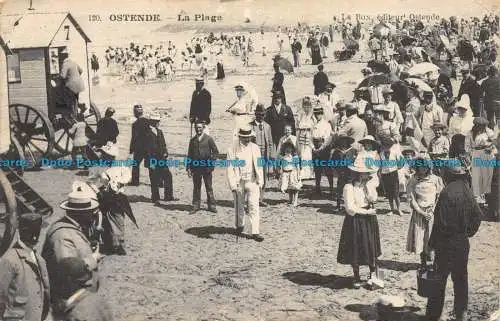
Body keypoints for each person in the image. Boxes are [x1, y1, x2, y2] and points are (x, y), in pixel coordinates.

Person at [426, 165, 483, 321]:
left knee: (439, 280)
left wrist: (431, 244)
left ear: (447, 175)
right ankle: (461, 315)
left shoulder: (446, 193)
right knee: (461, 280)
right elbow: (478, 216)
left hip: (445, 243)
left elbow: (439, 223)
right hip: (462, 243)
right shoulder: (467, 191)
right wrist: (467, 232)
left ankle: (434, 315)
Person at [42, 186, 101, 314]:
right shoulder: (62, 235)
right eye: (90, 211)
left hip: (80, 297)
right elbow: (68, 268)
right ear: (80, 214)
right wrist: (92, 259)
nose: (93, 215)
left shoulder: (75, 227)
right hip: (69, 302)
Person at [337, 163, 382, 289]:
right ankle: (356, 276)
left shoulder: (368, 185)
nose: (367, 175)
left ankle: (372, 275)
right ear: (357, 174)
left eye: (368, 173)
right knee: (355, 247)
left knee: (370, 246)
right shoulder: (348, 187)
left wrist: (368, 189)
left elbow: (374, 199)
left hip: (369, 219)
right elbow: (350, 208)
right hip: (355, 220)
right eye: (364, 173)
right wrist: (366, 212)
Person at [0, 213, 50, 321]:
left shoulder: (38, 259)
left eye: (37, 231)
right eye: (33, 231)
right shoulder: (9, 260)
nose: (35, 235)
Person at [227, 126, 265, 242]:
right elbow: (230, 168)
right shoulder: (232, 149)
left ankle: (255, 231)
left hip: (253, 180)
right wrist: (233, 185)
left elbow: (260, 164)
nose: (247, 140)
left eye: (248, 137)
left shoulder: (255, 148)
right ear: (239, 137)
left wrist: (261, 180)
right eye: (244, 138)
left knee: (254, 206)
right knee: (239, 205)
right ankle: (240, 225)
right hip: (240, 182)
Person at [406, 154, 444, 265]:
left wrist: (432, 211)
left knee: (433, 236)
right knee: (420, 237)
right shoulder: (413, 179)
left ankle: (434, 262)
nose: (422, 168)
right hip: (419, 213)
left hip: (432, 212)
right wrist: (422, 212)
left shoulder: (436, 179)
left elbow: (439, 197)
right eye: (419, 166)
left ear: (428, 167)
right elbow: (412, 199)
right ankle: (423, 262)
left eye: (424, 166)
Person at [187, 121, 219, 214]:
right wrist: (188, 167)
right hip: (196, 167)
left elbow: (216, 152)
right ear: (195, 128)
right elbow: (189, 155)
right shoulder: (192, 141)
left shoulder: (209, 139)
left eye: (200, 127)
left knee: (209, 187)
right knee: (196, 187)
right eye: (196, 128)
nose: (198, 129)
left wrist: (211, 162)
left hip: (207, 168)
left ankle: (212, 205)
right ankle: (196, 206)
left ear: (203, 128)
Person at [144, 113, 176, 204]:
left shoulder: (160, 131)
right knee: (154, 179)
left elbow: (164, 144)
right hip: (152, 160)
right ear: (153, 122)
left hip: (162, 159)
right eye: (157, 121)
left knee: (168, 176)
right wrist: (151, 162)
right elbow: (146, 150)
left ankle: (168, 196)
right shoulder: (146, 133)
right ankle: (155, 198)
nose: (158, 123)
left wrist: (166, 152)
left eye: (159, 121)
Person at [250, 104, 275, 206]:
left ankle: (261, 199)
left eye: (262, 115)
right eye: (259, 114)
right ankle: (253, 199)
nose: (261, 117)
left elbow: (270, 142)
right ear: (255, 114)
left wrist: (271, 155)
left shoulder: (267, 126)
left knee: (263, 177)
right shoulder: (250, 126)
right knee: (254, 176)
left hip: (264, 155)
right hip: (254, 155)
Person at [468, 117, 497, 206]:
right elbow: (468, 146)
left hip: (487, 155)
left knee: (486, 176)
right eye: (478, 125)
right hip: (476, 154)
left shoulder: (489, 132)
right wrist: (469, 155)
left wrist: (491, 149)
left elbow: (495, 142)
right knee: (476, 176)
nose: (480, 127)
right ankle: (477, 198)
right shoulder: (471, 133)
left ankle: (485, 198)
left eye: (482, 126)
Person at [379, 136, 404, 216]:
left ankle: (399, 209)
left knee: (396, 192)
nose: (386, 148)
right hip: (385, 174)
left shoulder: (394, 152)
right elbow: (379, 164)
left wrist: (398, 167)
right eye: (384, 146)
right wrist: (380, 172)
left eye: (388, 146)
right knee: (389, 193)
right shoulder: (381, 154)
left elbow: (401, 161)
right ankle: (391, 209)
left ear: (390, 146)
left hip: (393, 173)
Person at [296, 97, 316, 180]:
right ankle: (302, 172)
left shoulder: (312, 116)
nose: (306, 108)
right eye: (305, 106)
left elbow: (314, 125)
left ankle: (310, 173)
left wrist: (308, 128)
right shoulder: (301, 115)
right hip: (302, 135)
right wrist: (302, 128)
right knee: (302, 153)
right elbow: (298, 125)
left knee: (308, 154)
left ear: (310, 107)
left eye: (308, 106)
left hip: (309, 135)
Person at [129, 104, 150, 186]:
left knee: (135, 164)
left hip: (139, 148)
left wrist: (131, 149)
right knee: (151, 165)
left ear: (135, 113)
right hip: (148, 147)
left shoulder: (135, 124)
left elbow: (134, 138)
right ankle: (158, 182)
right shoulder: (148, 122)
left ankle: (135, 182)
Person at [60, 47, 85, 113]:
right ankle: (77, 109)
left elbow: (62, 76)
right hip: (79, 84)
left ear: (62, 56)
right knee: (75, 99)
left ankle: (72, 114)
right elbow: (81, 70)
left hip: (71, 86)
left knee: (68, 100)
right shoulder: (73, 62)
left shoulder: (65, 64)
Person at [278, 141, 302, 206]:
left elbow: (298, 166)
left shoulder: (294, 157)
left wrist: (298, 175)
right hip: (285, 174)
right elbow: (281, 165)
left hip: (293, 173)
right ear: (284, 149)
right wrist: (281, 171)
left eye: (290, 148)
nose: (288, 149)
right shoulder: (283, 157)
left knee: (295, 188)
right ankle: (290, 199)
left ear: (292, 149)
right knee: (289, 188)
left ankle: (295, 201)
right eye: (286, 148)